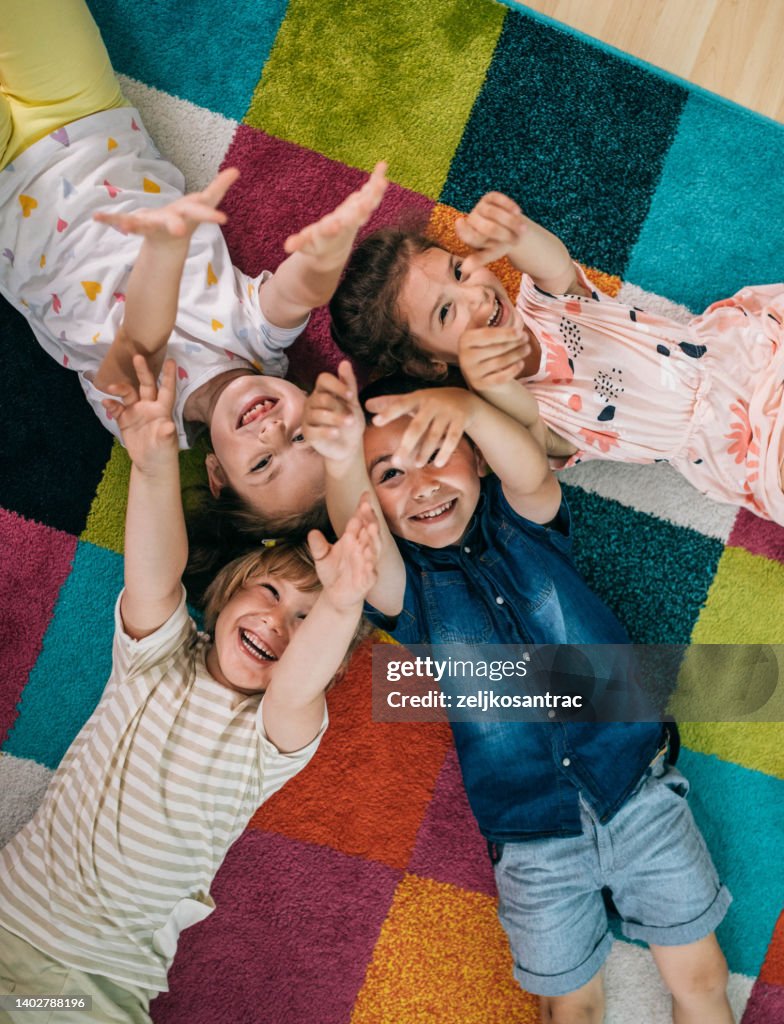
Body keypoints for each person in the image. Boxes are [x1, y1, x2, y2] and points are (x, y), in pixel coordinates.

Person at [302, 350, 734, 1024]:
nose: (421, 485)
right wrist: (337, 458)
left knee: (703, 979)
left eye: (437, 451)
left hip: (637, 791)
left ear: (476, 457)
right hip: (534, 839)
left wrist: (468, 407)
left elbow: (529, 468)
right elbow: (359, 536)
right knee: (570, 1008)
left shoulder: (528, 523)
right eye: (389, 475)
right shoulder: (406, 596)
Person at [0, 351, 381, 1024]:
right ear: (231, 589)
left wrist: (343, 603)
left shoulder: (272, 736)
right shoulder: (157, 658)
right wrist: (150, 464)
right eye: (269, 593)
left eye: (304, 620)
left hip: (93, 984)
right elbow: (155, 575)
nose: (277, 622)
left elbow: (298, 681)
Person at [0, 0, 388, 538]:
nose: (273, 432)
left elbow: (140, 343)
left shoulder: (153, 425)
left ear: (217, 477)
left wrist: (165, 249)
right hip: (87, 119)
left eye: (261, 464)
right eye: (301, 437)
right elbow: (298, 295)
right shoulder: (258, 343)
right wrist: (329, 248)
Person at [329, 190, 784, 524]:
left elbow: (553, 261)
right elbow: (532, 439)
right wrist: (488, 383)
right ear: (429, 364)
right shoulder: (520, 415)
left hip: (741, 350)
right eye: (446, 312)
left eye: (459, 270)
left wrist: (515, 231)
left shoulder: (547, 303)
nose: (474, 298)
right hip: (734, 444)